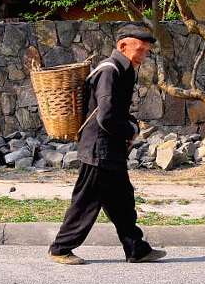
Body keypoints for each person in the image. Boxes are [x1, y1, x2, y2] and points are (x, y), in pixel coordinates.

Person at [48, 24, 166, 265]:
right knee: (86, 202)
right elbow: (106, 116)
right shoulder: (110, 71)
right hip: (99, 149)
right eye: (140, 50)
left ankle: (136, 249)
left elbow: (117, 110)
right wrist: (130, 130)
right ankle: (60, 249)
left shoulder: (127, 69)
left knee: (122, 201)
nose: (144, 55)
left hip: (110, 149)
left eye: (146, 51)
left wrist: (130, 127)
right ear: (123, 46)